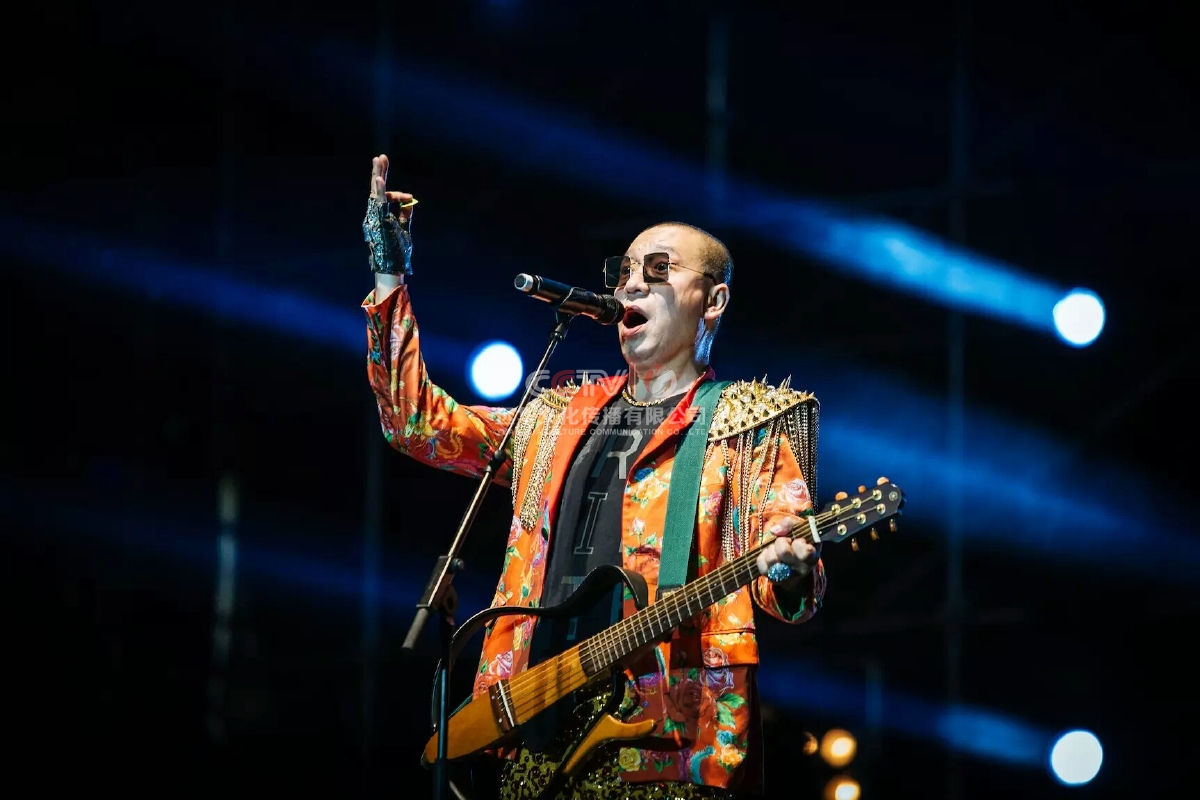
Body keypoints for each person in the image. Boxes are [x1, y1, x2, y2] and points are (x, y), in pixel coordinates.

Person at [361, 154, 826, 799]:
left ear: (713, 300)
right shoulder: (555, 417)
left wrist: (793, 564)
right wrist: (389, 272)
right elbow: (416, 424)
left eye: (658, 269)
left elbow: (789, 583)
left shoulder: (748, 425)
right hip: (537, 726)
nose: (632, 285)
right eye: (624, 271)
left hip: (667, 737)